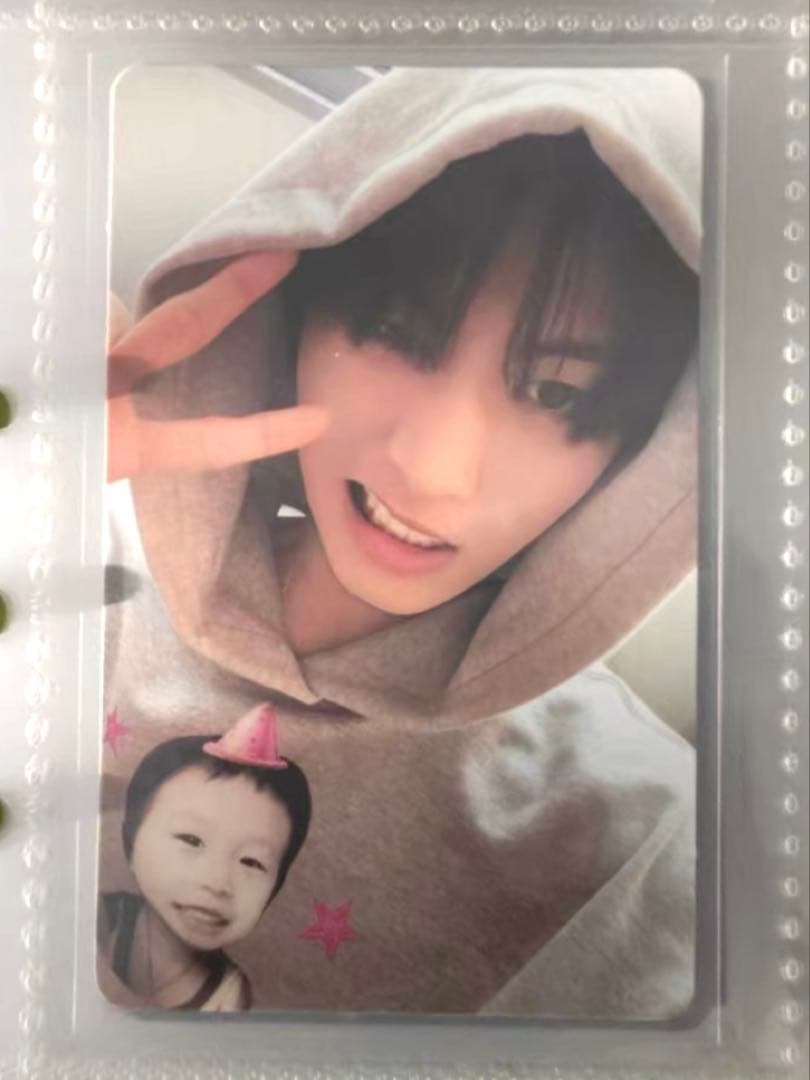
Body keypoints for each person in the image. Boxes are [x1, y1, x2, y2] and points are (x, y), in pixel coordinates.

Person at [101, 67, 701, 1017]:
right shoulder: (72, 557)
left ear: (644, 452)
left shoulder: (635, 839)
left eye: (555, 393)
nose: (435, 469)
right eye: (394, 329)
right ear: (293, 315)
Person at [98, 706, 312, 1011]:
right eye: (191, 840)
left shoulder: (227, 997)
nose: (217, 882)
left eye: (251, 862)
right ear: (130, 841)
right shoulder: (101, 920)